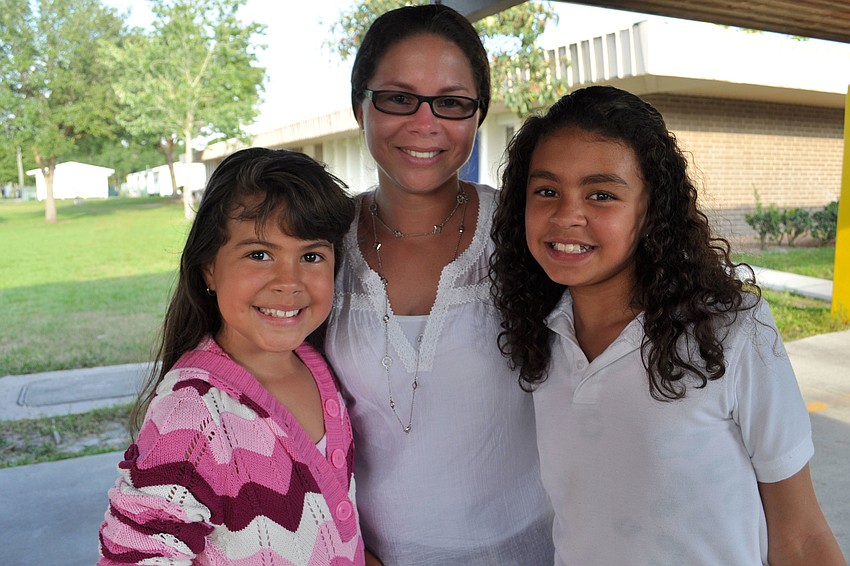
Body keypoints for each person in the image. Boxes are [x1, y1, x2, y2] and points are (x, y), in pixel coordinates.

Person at [490, 85, 846, 565]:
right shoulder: (538, 334)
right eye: (547, 190)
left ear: (652, 209)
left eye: (602, 194)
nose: (567, 215)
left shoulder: (730, 331)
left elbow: (801, 537)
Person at [324, 4, 553, 565]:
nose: (424, 123)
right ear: (361, 107)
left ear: (477, 116)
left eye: (451, 102)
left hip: (533, 547)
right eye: (399, 98)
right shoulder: (317, 244)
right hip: (377, 555)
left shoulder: (529, 231)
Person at [98, 148, 364, 565]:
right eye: (259, 254)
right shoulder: (193, 412)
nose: (288, 282)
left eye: (311, 256)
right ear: (208, 268)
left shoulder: (320, 366)